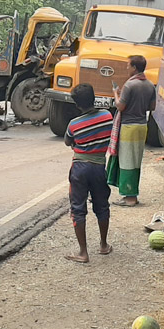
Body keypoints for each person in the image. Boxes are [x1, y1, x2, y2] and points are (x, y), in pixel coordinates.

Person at [63, 83, 114, 263]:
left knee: (78, 208)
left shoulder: (74, 124)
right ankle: (103, 245)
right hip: (100, 166)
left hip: (80, 168)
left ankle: (83, 253)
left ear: (77, 105)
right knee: (102, 206)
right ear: (94, 98)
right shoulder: (108, 115)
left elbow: (68, 141)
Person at [107, 55, 156, 207]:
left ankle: (130, 198)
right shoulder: (149, 85)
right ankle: (131, 193)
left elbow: (120, 106)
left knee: (127, 161)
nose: (127, 68)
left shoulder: (130, 85)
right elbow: (152, 107)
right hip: (142, 126)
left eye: (128, 66)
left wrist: (116, 93)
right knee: (135, 161)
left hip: (128, 127)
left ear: (134, 67)